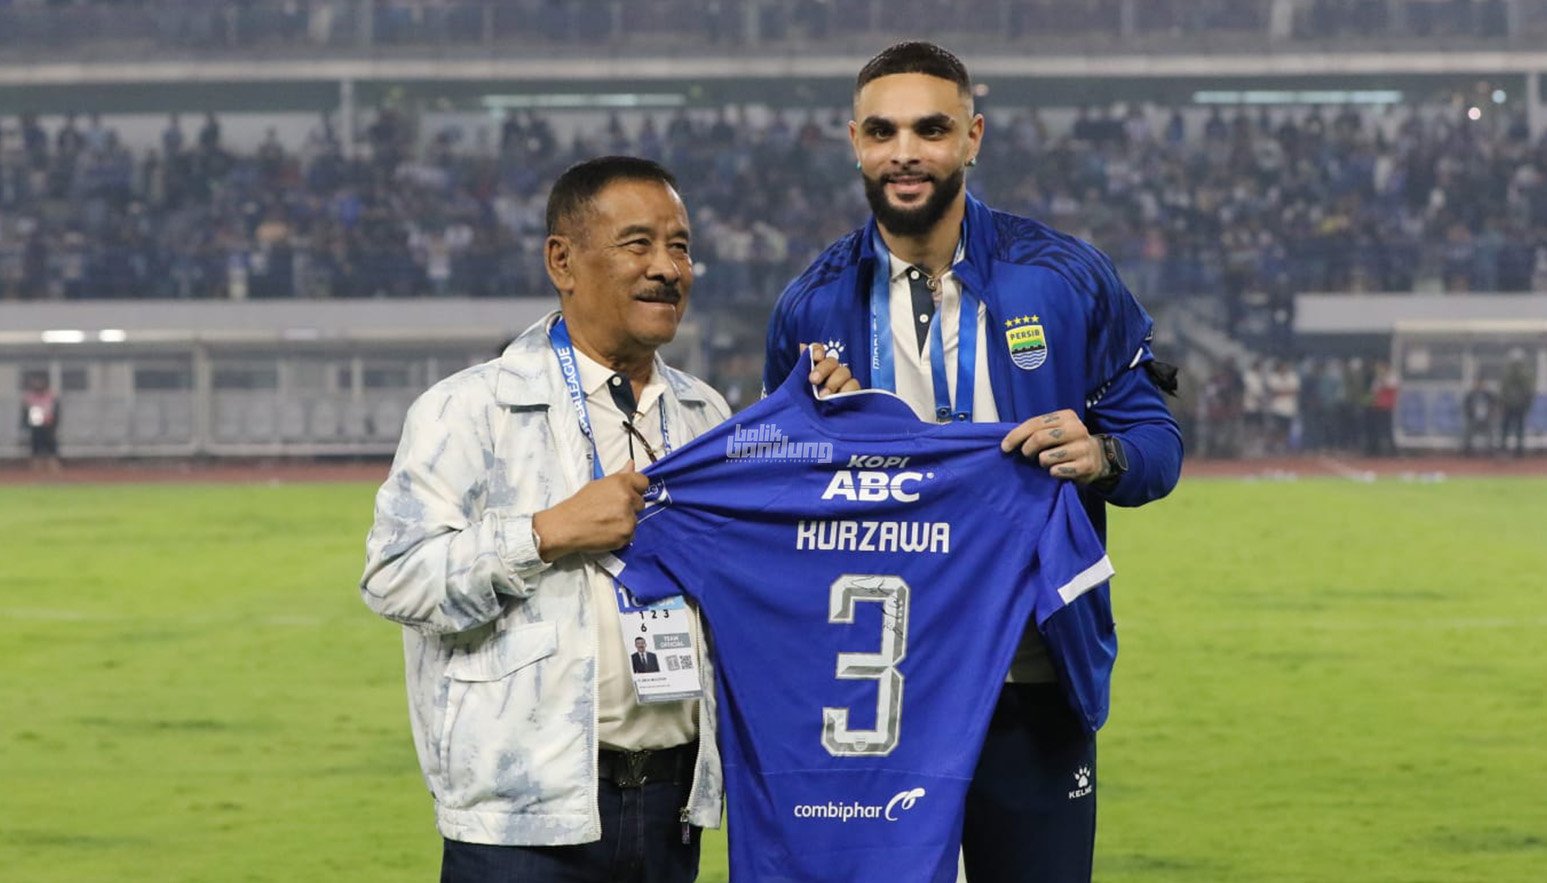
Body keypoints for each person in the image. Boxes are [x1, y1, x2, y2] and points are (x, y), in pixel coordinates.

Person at [763, 42, 1183, 883]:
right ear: (853, 142)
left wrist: (1099, 453)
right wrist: (819, 432)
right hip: (878, 687)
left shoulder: (1063, 278)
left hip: (1030, 677)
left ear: (972, 137)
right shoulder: (810, 305)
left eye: (931, 129)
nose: (904, 152)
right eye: (881, 132)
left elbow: (1156, 445)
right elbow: (782, 497)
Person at [361, 156, 735, 882]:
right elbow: (394, 577)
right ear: (562, 261)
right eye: (638, 244)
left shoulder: (704, 413)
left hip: (672, 808)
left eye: (680, 247)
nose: (667, 268)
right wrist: (543, 533)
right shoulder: (469, 409)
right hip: (522, 822)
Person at [20, 372, 62, 473]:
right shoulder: (29, 397)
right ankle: (36, 468)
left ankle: (53, 467)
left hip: (49, 423)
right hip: (36, 423)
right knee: (36, 445)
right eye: (36, 382)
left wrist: (52, 421)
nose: (38, 384)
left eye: (40, 382)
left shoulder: (51, 396)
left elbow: (55, 411)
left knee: (51, 445)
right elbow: (26, 412)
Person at [1499, 351, 1535, 456]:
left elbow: (1528, 391)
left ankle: (1515, 449)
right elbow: (1503, 390)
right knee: (1510, 428)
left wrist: (1527, 404)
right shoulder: (1511, 374)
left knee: (1516, 428)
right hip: (1511, 405)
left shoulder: (1523, 374)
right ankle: (1510, 449)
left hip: (1517, 405)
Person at [1460, 377, 1497, 456]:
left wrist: (1491, 413)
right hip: (1474, 418)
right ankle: (1467, 449)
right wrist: (1470, 414)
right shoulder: (1471, 395)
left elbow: (1494, 405)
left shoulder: (1488, 395)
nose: (1480, 386)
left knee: (1490, 430)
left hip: (1486, 419)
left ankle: (1490, 449)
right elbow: (1466, 406)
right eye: (1478, 384)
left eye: (1481, 384)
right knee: (1468, 429)